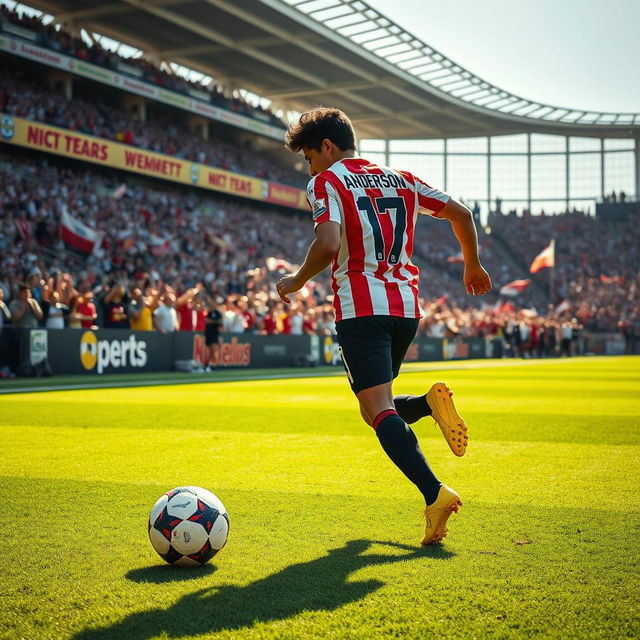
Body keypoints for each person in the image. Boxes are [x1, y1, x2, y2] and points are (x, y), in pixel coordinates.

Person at [277, 108, 492, 545]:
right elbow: (463, 214)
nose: (309, 167)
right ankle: (430, 404)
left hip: (361, 308)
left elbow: (329, 243)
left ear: (327, 147)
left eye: (308, 157)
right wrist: (472, 265)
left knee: (377, 410)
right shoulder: (403, 178)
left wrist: (297, 280)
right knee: (375, 406)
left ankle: (435, 494)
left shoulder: (327, 181)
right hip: (406, 308)